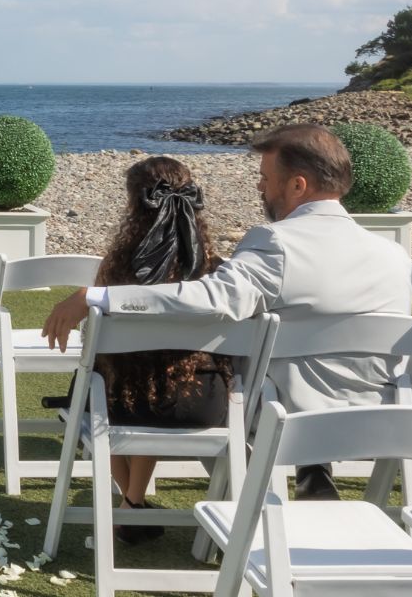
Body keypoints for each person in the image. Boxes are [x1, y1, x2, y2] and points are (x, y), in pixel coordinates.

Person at [42, 123, 412, 501]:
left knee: (219, 381)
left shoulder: (278, 243)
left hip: (284, 415)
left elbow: (212, 298)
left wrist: (100, 297)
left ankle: (250, 498)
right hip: (381, 418)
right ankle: (313, 469)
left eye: (265, 178)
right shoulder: (394, 256)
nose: (260, 188)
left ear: (297, 185)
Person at [84, 155, 235, 542]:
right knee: (160, 375)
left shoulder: (117, 270)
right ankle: (132, 502)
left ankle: (131, 501)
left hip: (125, 407)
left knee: (108, 379)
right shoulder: (215, 272)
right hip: (204, 404)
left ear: (134, 205)